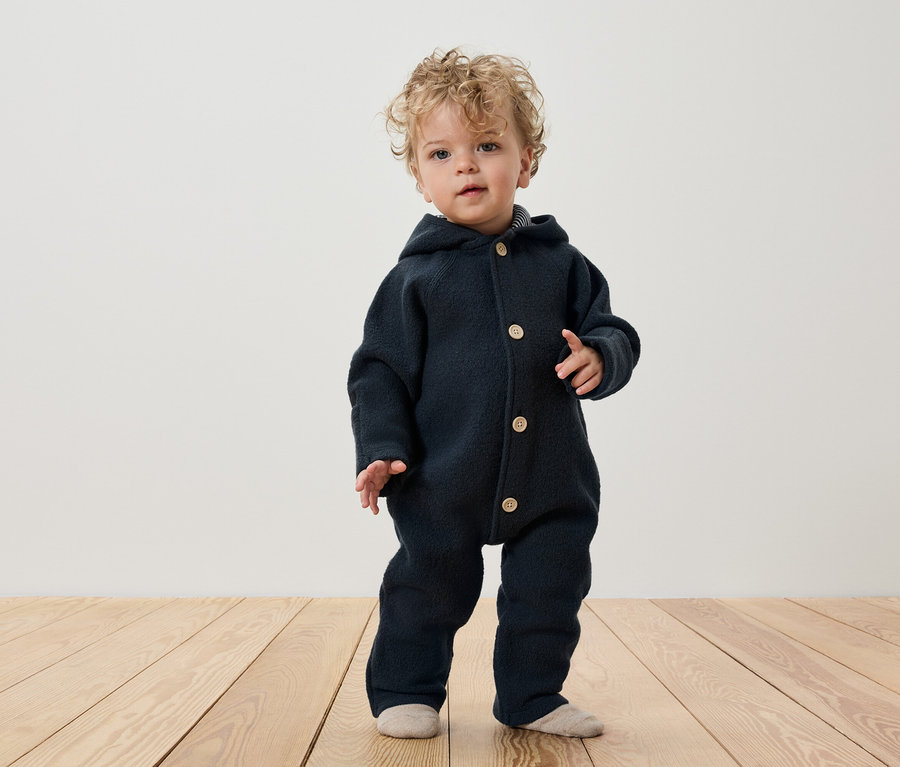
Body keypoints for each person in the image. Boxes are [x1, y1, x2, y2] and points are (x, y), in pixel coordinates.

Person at [348, 48, 640, 740]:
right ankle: (405, 687)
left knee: (551, 588)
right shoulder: (413, 281)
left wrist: (602, 355)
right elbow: (378, 371)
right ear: (421, 178)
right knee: (428, 585)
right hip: (442, 477)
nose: (466, 166)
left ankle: (533, 694)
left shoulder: (564, 263)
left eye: (486, 145)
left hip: (551, 477)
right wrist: (384, 449)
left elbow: (612, 327)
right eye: (442, 153)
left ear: (526, 161)